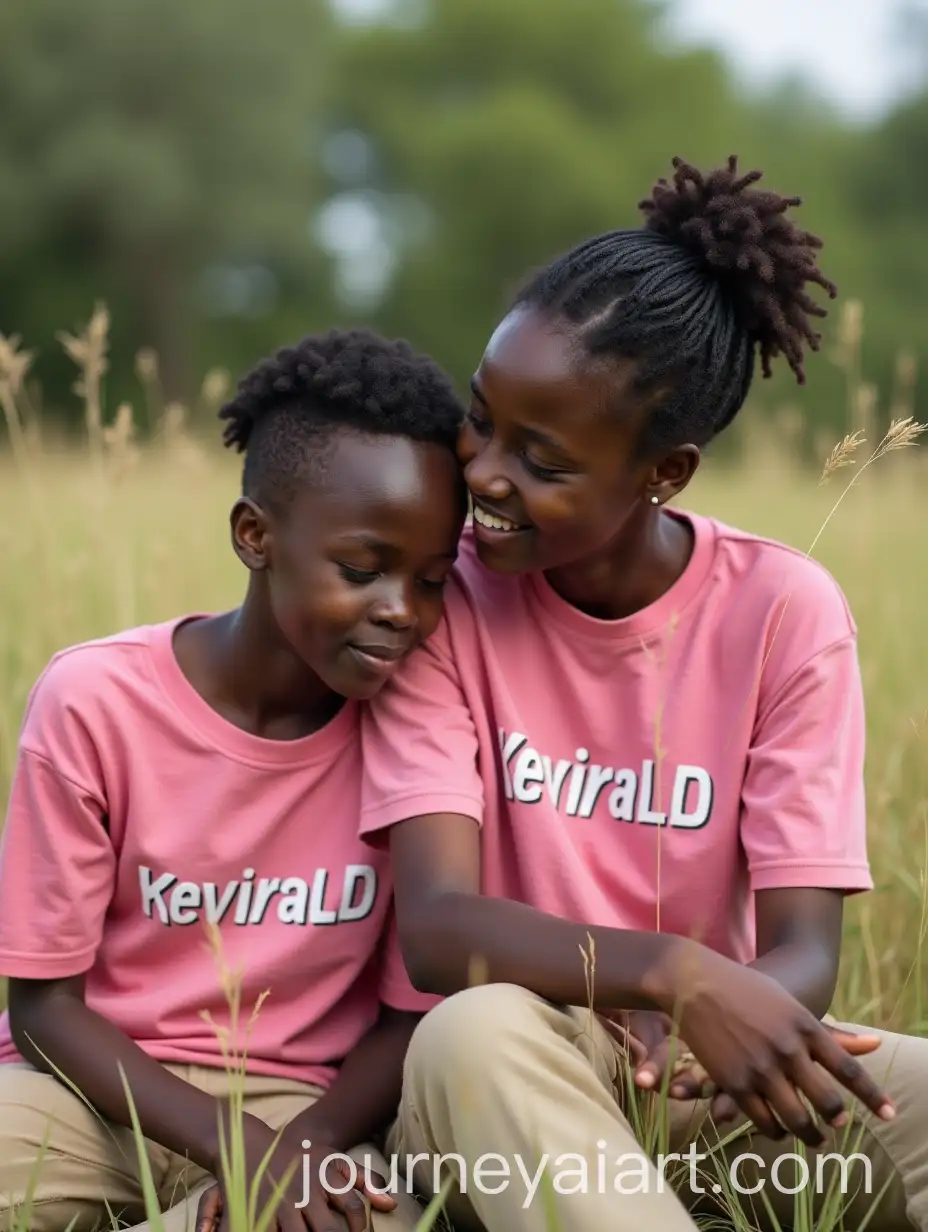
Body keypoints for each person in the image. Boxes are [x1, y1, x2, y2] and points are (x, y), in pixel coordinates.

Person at [356, 156, 928, 1231]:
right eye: (481, 419)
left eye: (542, 458)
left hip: (704, 1089)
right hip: (506, 1083)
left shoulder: (783, 610)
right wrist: (677, 974)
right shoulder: (442, 595)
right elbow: (436, 928)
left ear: (663, 474)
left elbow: (805, 946)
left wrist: (729, 1025)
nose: (482, 473)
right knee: (470, 1029)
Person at [0, 328, 467, 1232]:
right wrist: (235, 1150)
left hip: (308, 1111)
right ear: (256, 536)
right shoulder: (97, 700)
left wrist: (293, 1154)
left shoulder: (417, 727)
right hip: (91, 1095)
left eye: (433, 579)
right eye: (362, 570)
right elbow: (46, 1008)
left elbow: (412, 1015)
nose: (400, 610)